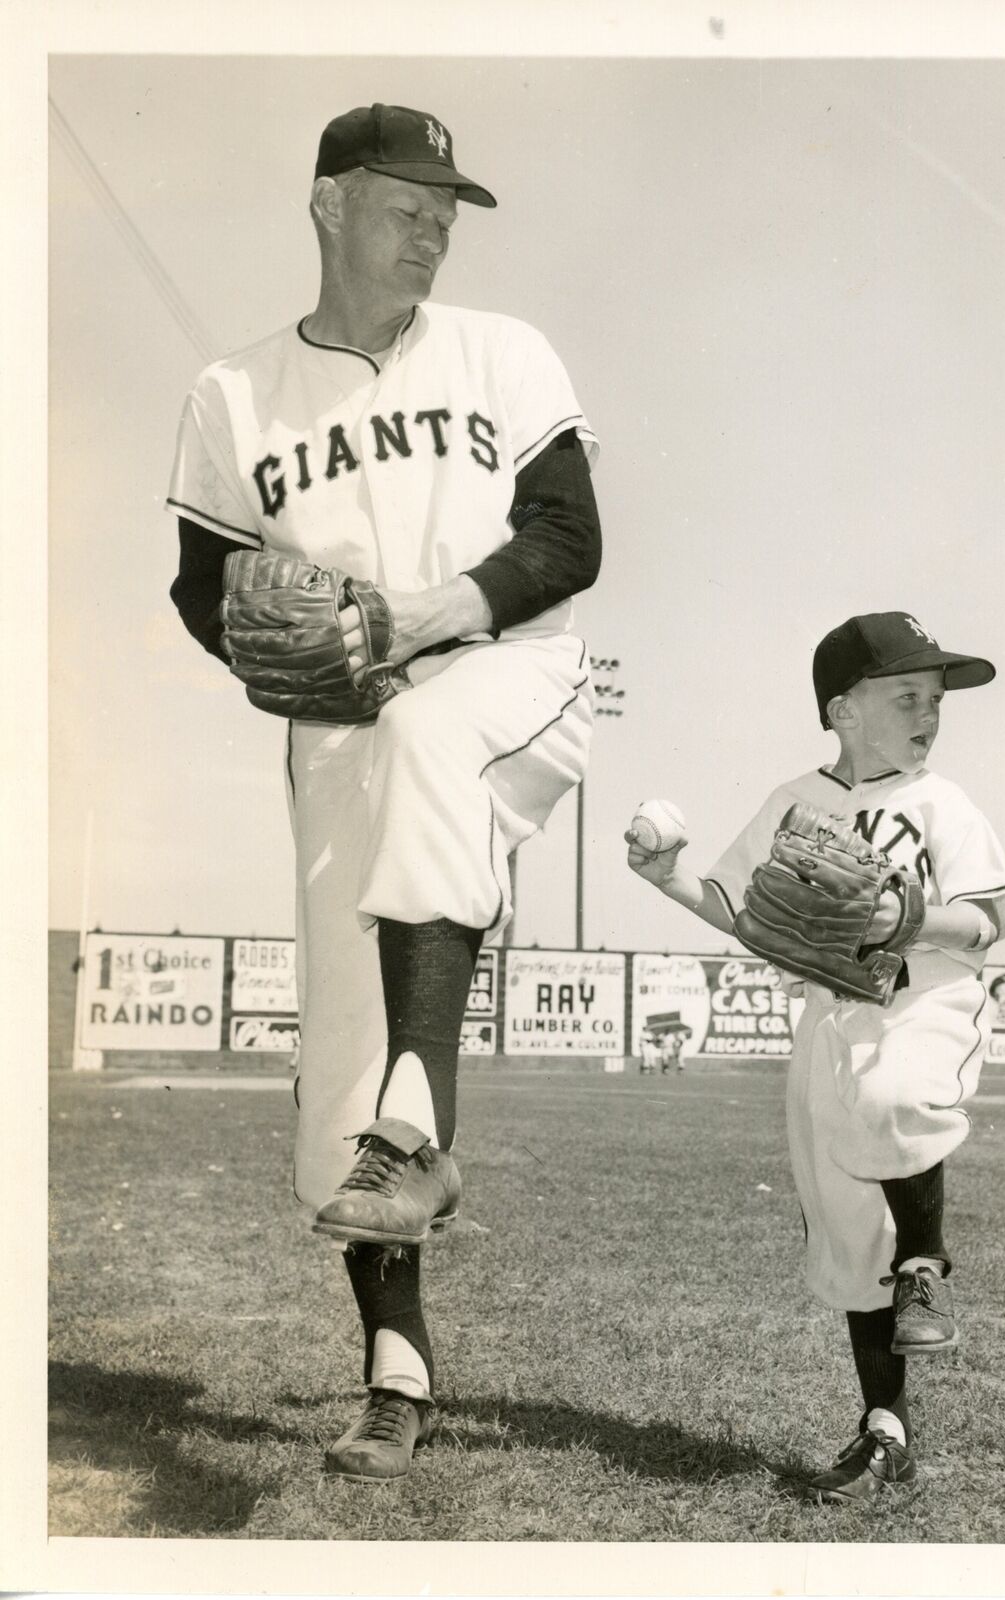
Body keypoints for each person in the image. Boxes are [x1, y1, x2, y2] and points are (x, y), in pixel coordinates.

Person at [167, 102, 602, 1481]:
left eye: (446, 208)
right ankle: (395, 1379)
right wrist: (269, 649)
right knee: (339, 1101)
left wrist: (417, 621)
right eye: (407, 201)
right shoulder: (235, 393)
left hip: (509, 675)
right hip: (339, 728)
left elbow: (570, 538)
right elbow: (200, 588)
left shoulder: (501, 351)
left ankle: (420, 1124)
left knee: (427, 739)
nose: (433, 226)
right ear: (330, 203)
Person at [626, 611, 1005, 1503]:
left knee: (893, 1099)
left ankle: (924, 1263)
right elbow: (742, 911)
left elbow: (996, 916)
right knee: (848, 1240)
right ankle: (885, 1432)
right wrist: (668, 876)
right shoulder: (791, 802)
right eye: (908, 695)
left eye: (936, 699)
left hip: (925, 993)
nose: (931, 712)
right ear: (844, 711)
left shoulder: (940, 804)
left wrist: (909, 918)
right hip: (828, 1016)